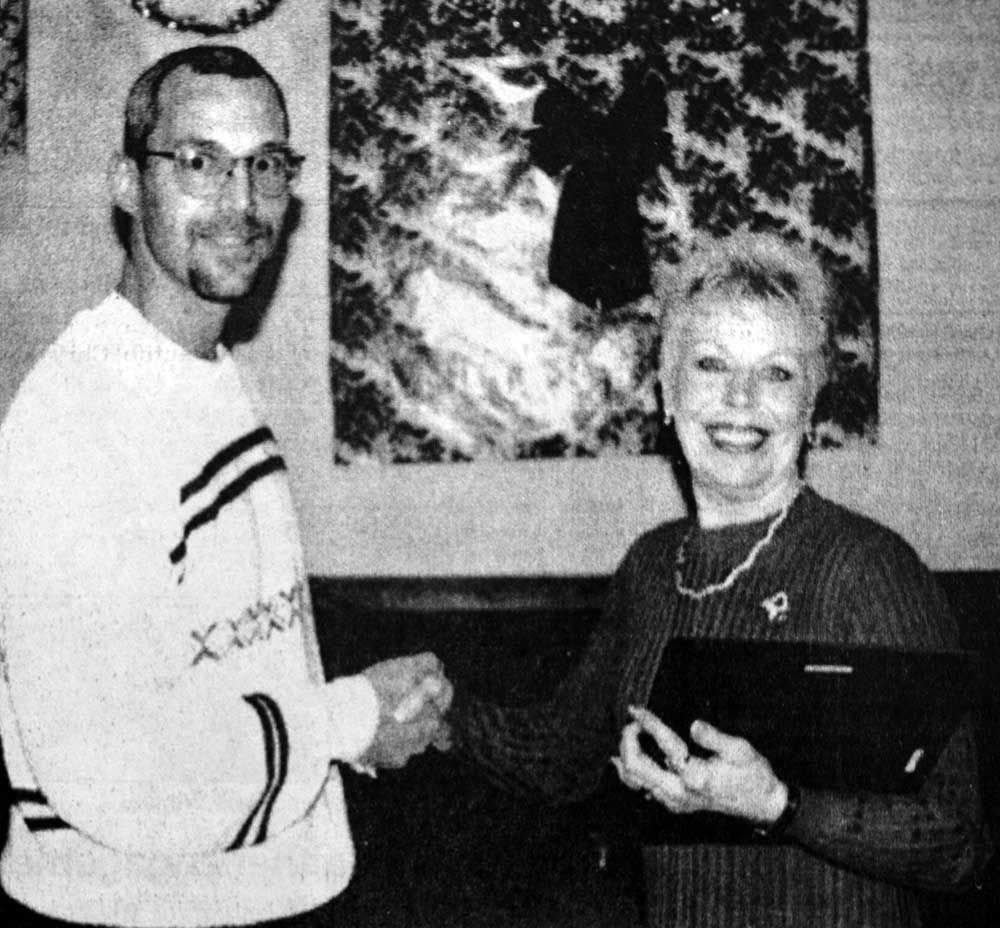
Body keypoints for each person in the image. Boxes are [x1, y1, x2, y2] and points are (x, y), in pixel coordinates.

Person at [0, 45, 451, 928]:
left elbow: (223, 664)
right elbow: (109, 768)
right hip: (136, 912)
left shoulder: (204, 371)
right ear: (128, 183)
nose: (242, 206)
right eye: (200, 163)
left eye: (267, 167)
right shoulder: (77, 421)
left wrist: (358, 722)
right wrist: (353, 717)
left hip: (250, 896)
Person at [448, 231, 988, 927]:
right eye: (710, 365)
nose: (740, 399)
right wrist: (439, 710)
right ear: (667, 396)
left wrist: (778, 806)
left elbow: (959, 841)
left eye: (777, 373)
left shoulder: (869, 570)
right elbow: (562, 752)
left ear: (811, 403)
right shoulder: (649, 567)